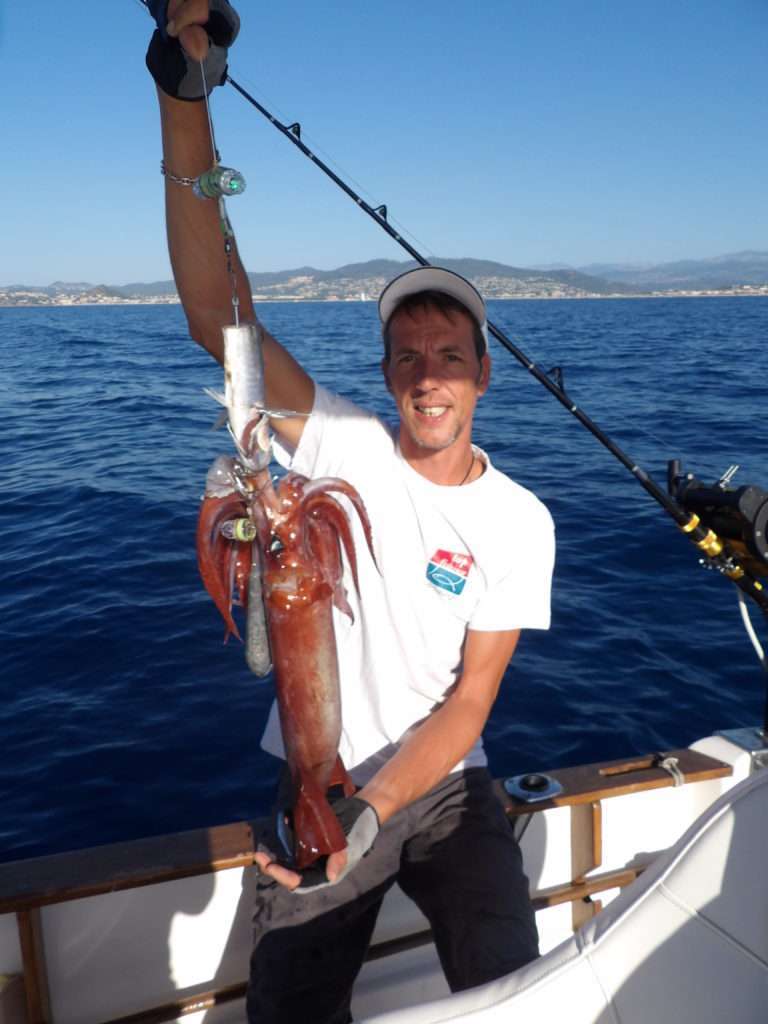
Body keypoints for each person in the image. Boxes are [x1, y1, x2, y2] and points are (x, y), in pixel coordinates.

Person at [145, 3, 555, 1021]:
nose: (428, 375)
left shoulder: (521, 521)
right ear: (384, 373)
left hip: (447, 787)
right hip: (316, 777)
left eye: (449, 354)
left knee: (514, 981)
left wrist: (374, 812)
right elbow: (218, 317)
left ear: (483, 374)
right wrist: (182, 92)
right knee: (284, 1004)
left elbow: (467, 709)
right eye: (408, 355)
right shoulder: (342, 445)